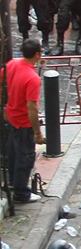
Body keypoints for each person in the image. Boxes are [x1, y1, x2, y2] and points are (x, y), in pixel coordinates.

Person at [2, 40, 44, 205]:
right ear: (37, 54)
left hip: (12, 117)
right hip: (23, 122)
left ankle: (13, 183)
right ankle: (21, 193)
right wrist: (37, 132)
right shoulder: (32, 78)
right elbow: (31, 107)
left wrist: (4, 107)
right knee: (25, 157)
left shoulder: (12, 64)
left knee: (13, 152)